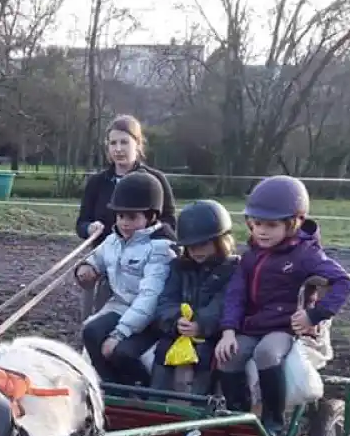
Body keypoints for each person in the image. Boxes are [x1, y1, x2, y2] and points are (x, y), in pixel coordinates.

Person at [214, 175, 350, 436]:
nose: (261, 231)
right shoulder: (250, 256)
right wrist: (229, 330)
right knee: (228, 355)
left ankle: (273, 422)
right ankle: (238, 414)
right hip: (251, 324)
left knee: (267, 353)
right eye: (256, 224)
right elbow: (235, 295)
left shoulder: (306, 254)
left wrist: (315, 315)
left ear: (294, 222)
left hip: (283, 327)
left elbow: (344, 282)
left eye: (271, 225)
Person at [75, 171, 174, 387]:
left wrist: (118, 335)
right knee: (90, 331)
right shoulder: (114, 240)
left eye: (132, 217)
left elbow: (149, 297)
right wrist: (86, 267)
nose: (124, 223)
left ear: (151, 217)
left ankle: (142, 389)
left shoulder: (159, 249)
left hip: (150, 316)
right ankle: (113, 388)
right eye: (120, 216)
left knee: (120, 353)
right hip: (121, 306)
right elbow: (98, 257)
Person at [74, 115, 177, 320]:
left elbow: (169, 224)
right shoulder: (97, 182)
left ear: (137, 144)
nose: (118, 149)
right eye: (113, 143)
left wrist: (144, 234)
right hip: (107, 261)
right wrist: (90, 229)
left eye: (124, 142)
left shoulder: (155, 180)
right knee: (93, 302)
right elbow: (81, 222)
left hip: (145, 265)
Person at [149, 200, 240, 395]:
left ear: (220, 240)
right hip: (180, 333)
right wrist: (175, 321)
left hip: (210, 335)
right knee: (163, 349)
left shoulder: (232, 269)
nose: (196, 250)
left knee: (206, 355)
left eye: (203, 244)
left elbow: (224, 303)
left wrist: (201, 325)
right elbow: (166, 300)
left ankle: (199, 412)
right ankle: (156, 405)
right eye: (191, 246)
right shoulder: (178, 267)